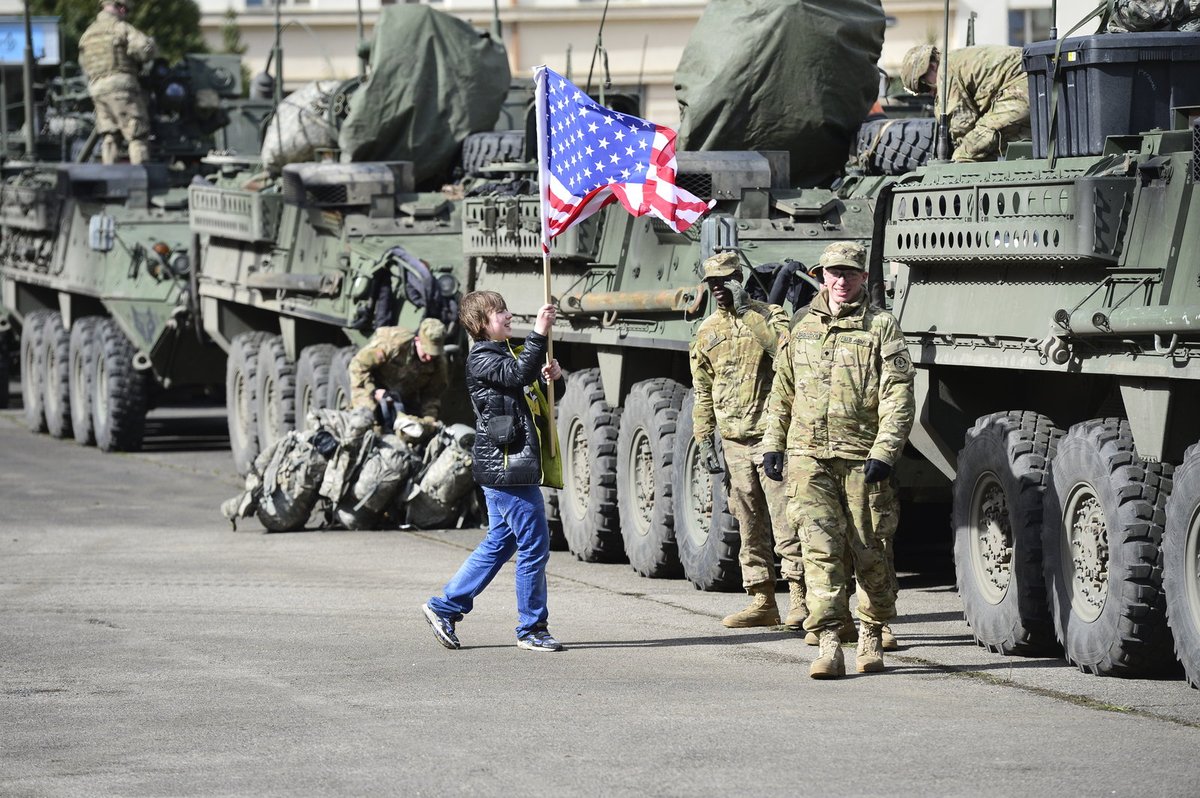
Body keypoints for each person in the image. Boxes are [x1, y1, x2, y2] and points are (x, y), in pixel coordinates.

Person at [762, 241, 915, 679]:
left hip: (861, 458)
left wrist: (885, 451)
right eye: (833, 273)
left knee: (871, 549)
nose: (841, 281)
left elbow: (898, 394)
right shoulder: (802, 325)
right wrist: (774, 444)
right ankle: (829, 641)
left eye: (849, 273)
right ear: (821, 275)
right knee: (819, 551)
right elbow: (783, 391)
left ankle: (871, 633)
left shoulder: (881, 326)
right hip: (808, 458)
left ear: (863, 277)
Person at [422, 291, 565, 652]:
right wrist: (539, 331)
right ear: (480, 324)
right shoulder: (482, 357)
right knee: (535, 544)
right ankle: (532, 629)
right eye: (499, 312)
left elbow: (533, 392)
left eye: (505, 309)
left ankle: (446, 607)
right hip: (506, 467)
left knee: (501, 542)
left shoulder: (504, 353)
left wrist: (554, 378)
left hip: (506, 465)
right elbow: (516, 376)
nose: (507, 315)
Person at [689, 251, 805, 629]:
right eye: (713, 284)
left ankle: (801, 599)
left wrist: (748, 314)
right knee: (748, 523)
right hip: (734, 441)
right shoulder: (707, 331)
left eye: (727, 281)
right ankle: (762, 600)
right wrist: (705, 437)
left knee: (788, 520)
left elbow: (785, 355)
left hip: (772, 438)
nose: (720, 289)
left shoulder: (770, 316)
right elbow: (703, 391)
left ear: (741, 280)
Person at [900, 44, 1030, 163]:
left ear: (932, 66)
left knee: (964, 155)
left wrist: (958, 149)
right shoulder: (954, 60)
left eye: (924, 87)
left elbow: (961, 123)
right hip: (1034, 82)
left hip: (1021, 88)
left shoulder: (944, 72)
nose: (928, 93)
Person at [78, 0, 158, 165]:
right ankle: (140, 177)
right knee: (137, 133)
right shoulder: (121, 27)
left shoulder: (87, 34)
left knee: (110, 135)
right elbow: (144, 49)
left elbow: (83, 65)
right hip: (121, 89)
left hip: (97, 91)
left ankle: (110, 180)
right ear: (121, 8)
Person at [348, 317, 448, 433]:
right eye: (426, 351)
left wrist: (429, 421)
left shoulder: (438, 363)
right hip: (371, 386)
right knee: (366, 422)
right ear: (417, 340)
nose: (429, 357)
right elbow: (359, 366)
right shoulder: (393, 344)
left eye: (433, 353)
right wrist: (373, 391)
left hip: (403, 398)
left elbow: (432, 395)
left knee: (412, 431)